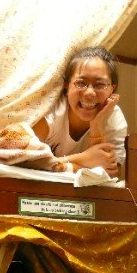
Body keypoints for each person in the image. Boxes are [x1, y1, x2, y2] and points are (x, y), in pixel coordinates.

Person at [32, 46, 127, 179]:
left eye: (99, 85)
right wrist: (85, 158)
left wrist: (97, 127)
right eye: (81, 83)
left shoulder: (114, 118)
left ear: (112, 89)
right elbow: (25, 159)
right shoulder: (52, 111)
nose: (89, 93)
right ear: (67, 85)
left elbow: (111, 174)